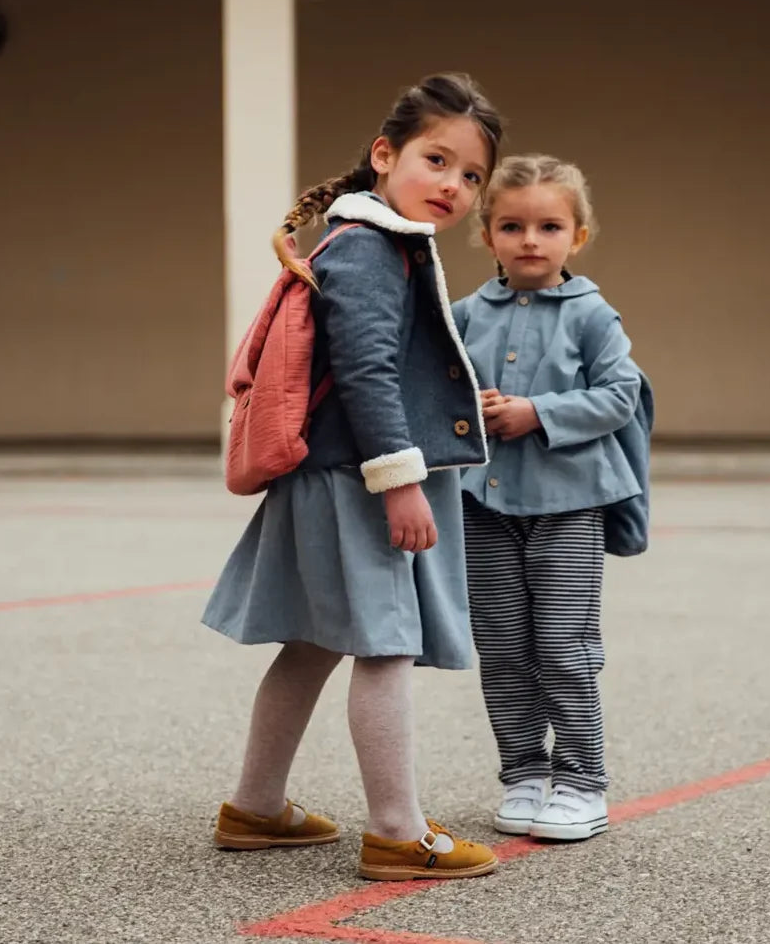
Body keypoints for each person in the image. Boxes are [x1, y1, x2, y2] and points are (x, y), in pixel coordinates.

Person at [203, 73, 504, 880]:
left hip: (333, 474)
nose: (454, 184)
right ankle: (398, 831)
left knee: (309, 643)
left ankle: (256, 808)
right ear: (384, 155)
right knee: (385, 645)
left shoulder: (365, 240)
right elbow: (368, 374)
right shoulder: (372, 246)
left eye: (471, 175)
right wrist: (399, 481)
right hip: (361, 477)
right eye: (436, 159)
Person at [453, 154, 642, 841]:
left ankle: (583, 780)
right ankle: (525, 773)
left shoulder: (592, 315)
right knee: (502, 645)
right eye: (512, 225)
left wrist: (539, 412)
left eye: (549, 225)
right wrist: (469, 404)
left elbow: (622, 395)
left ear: (578, 235)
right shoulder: (465, 314)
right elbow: (432, 390)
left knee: (564, 643)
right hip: (483, 506)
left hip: (567, 506)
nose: (531, 239)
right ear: (488, 235)